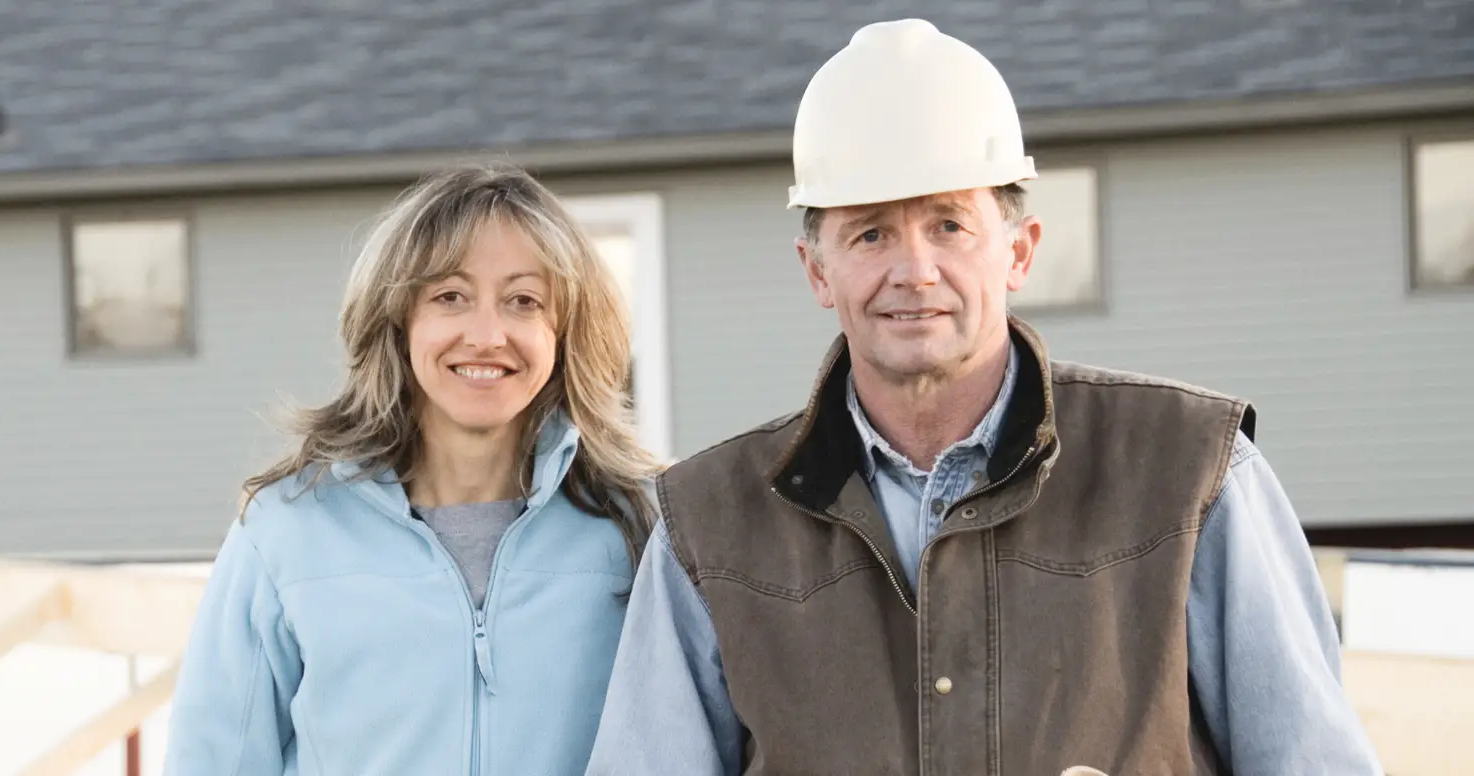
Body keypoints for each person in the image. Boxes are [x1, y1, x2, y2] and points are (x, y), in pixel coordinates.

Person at [584, 18, 1382, 776]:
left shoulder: (1193, 475)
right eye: (870, 233)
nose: (915, 271)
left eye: (949, 226)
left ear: (1019, 251)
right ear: (817, 270)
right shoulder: (710, 523)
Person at [162, 162, 662, 775]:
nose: (486, 334)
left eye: (523, 301)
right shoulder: (287, 530)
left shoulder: (639, 524)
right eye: (450, 297)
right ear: (399, 322)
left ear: (565, 332)